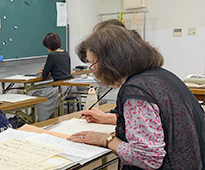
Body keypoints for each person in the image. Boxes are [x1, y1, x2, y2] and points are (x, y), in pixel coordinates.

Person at [67, 25, 205, 169]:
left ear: (110, 61)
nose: (94, 71)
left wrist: (105, 139)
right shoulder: (161, 76)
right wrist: (109, 119)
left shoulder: (136, 92)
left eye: (93, 64)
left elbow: (147, 158)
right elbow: (161, 121)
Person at [30, 33, 72, 121]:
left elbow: (45, 75)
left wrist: (44, 70)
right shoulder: (66, 53)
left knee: (35, 94)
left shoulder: (52, 55)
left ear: (48, 46)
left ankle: (38, 120)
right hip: (69, 86)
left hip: (59, 88)